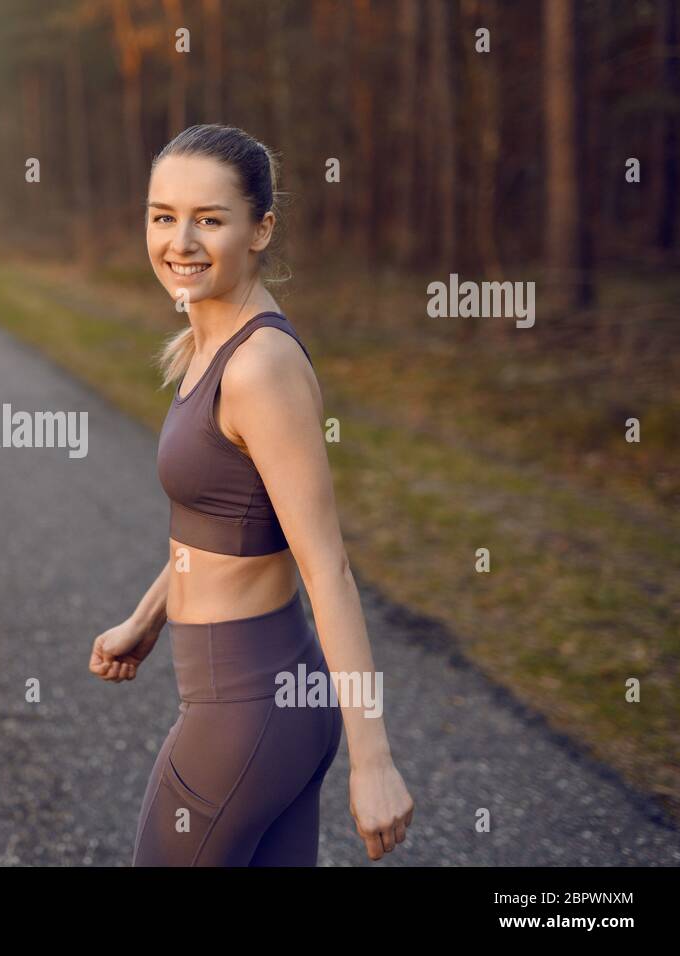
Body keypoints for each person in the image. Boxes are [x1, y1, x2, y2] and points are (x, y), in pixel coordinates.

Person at [89, 124, 414, 866]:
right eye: (162, 215)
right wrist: (146, 618)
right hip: (274, 701)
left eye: (210, 219)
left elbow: (325, 565)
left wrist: (374, 760)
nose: (180, 240)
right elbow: (223, 528)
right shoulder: (206, 342)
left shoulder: (258, 365)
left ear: (261, 228)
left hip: (246, 710)